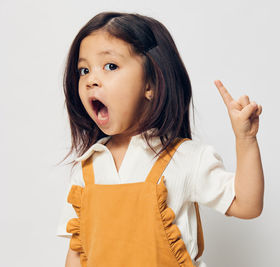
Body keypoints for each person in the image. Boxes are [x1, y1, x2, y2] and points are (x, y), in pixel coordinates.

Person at [55, 11, 264, 267]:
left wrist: (245, 139)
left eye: (110, 66)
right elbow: (77, 251)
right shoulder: (88, 167)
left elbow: (248, 205)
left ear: (150, 84)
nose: (91, 80)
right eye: (84, 70)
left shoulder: (185, 158)